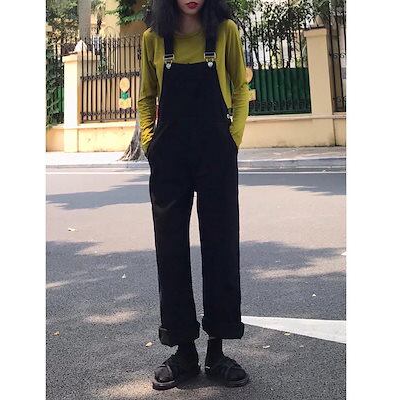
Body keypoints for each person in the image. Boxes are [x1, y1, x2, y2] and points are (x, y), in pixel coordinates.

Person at [138, 0, 250, 390]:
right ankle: (183, 350)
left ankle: (218, 351)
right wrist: (150, 144)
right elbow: (146, 96)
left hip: (216, 150)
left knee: (221, 243)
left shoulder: (225, 32)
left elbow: (240, 88)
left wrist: (233, 140)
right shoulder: (153, 38)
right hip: (169, 153)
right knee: (170, 247)